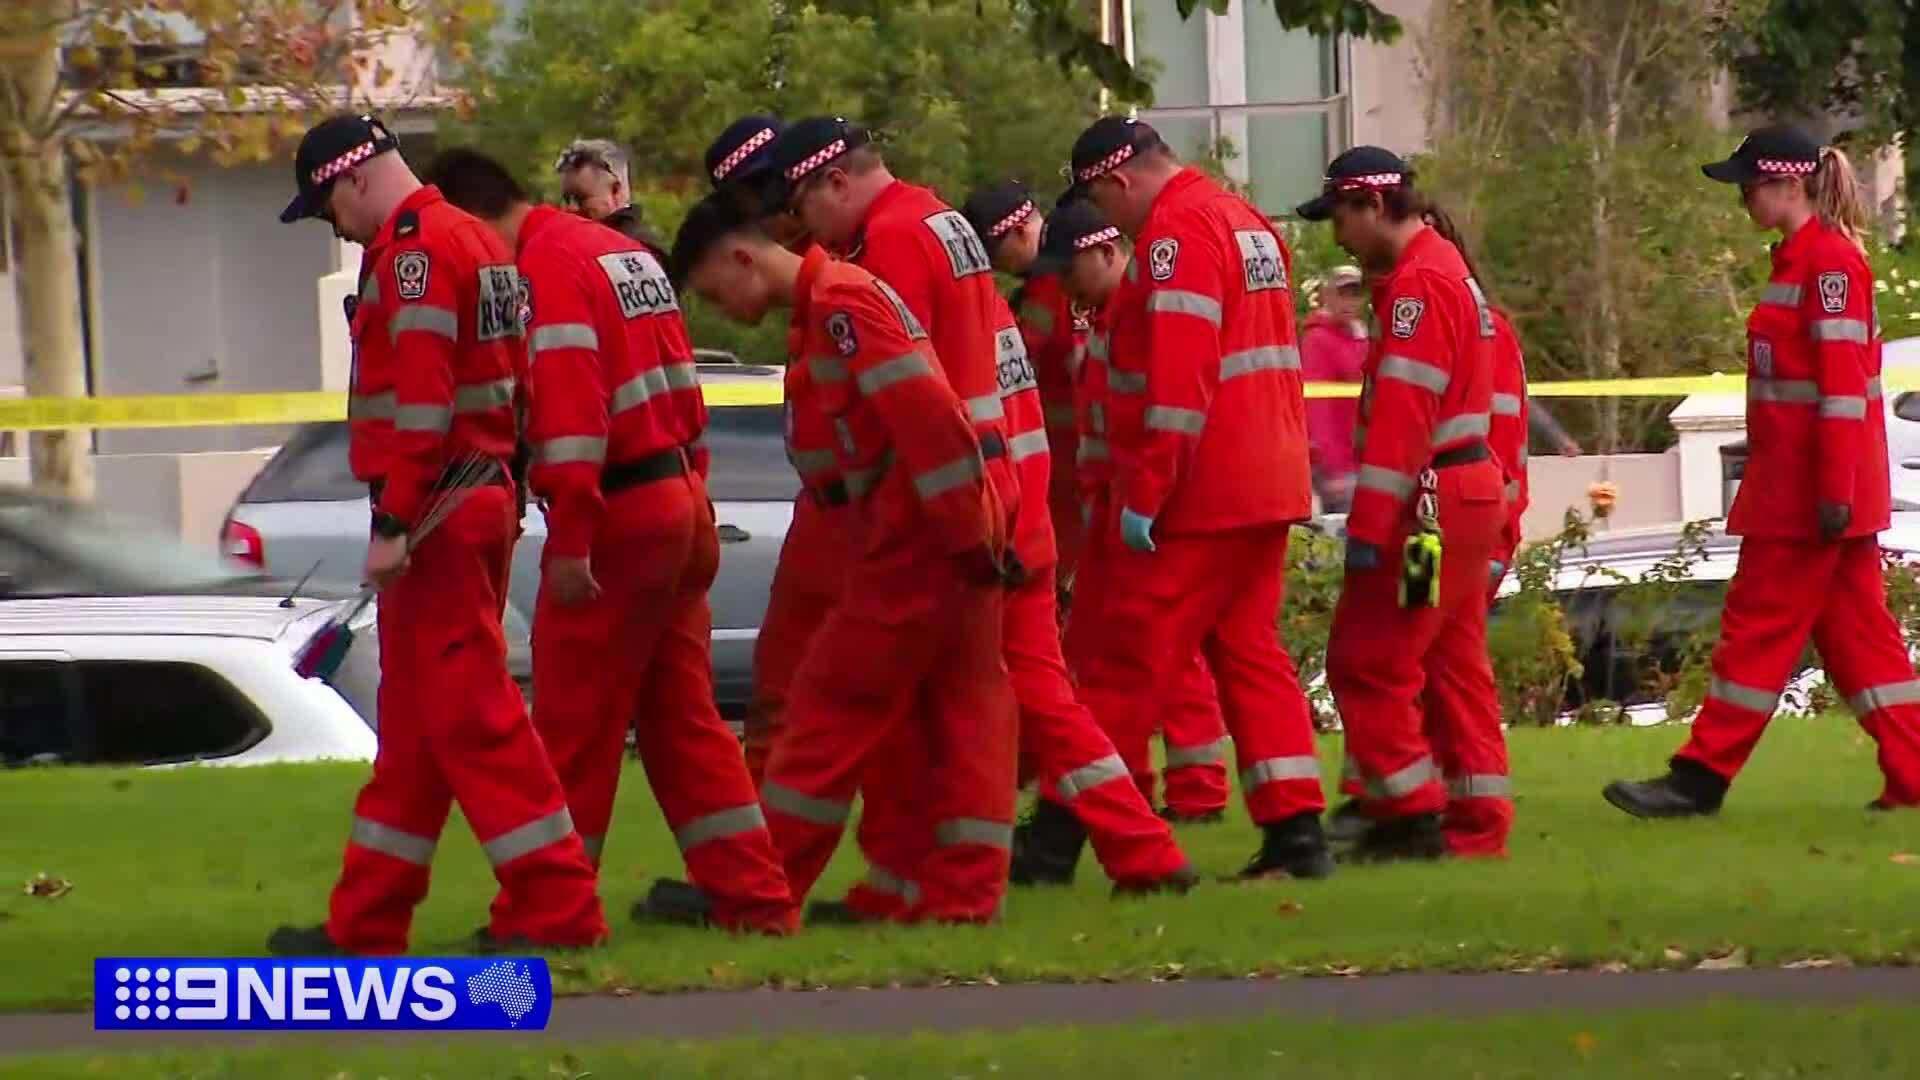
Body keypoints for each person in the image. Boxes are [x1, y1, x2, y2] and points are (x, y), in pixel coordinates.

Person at [771, 117, 1195, 898]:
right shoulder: (933, 220)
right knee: (1004, 696)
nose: (806, 231)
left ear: (835, 182)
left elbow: (910, 398)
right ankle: (1111, 856)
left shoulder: (892, 244)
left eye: (804, 206)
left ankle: (1106, 855)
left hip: (968, 511)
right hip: (1007, 499)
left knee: (978, 697)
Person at [422, 149, 799, 934]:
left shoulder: (548, 269)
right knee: (684, 724)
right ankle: (756, 900)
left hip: (620, 516)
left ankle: (546, 908)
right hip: (680, 498)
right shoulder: (622, 252)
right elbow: (674, 383)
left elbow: (570, 412)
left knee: (571, 723)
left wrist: (571, 543)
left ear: (469, 217)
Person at [269, 114, 606, 955]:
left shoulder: (415, 255)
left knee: (479, 720)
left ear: (353, 180)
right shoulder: (480, 242)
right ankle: (365, 925)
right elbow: (513, 383)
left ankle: (558, 909)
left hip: (437, 513)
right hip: (474, 499)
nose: (336, 228)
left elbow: (421, 404)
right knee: (416, 735)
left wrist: (392, 521)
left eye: (328, 208)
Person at [672, 194, 1022, 922]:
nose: (724, 308)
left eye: (714, 290)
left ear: (743, 258)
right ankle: (957, 894)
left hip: (917, 544)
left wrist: (959, 540)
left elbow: (930, 421)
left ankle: (759, 898)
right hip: (940, 537)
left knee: (825, 711)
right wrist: (975, 541)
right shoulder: (833, 305)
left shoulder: (842, 305)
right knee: (961, 714)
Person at [1605, 126, 1920, 818]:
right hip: (1808, 490)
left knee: (1755, 632)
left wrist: (1833, 493)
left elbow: (1841, 391)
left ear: (1787, 184)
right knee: (1862, 647)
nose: (1743, 197)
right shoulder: (1802, 263)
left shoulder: (1828, 268)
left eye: (1749, 185)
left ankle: (1699, 779)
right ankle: (1915, 774)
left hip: (1808, 497)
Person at [1066, 115, 1333, 878]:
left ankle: (1064, 830)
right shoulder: (1247, 222)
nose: (1104, 223)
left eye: (1098, 203)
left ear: (1117, 181)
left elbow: (1179, 386)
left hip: (1204, 492)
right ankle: (1296, 834)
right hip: (1270, 479)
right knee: (1251, 657)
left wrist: (1145, 493)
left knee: (1126, 662)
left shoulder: (1175, 235)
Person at [966, 182, 1231, 825]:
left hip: (1101, 489)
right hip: (1085, 487)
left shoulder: (1060, 299)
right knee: (1107, 643)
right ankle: (1136, 778)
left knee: (1139, 639)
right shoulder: (1082, 298)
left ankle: (1172, 785)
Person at [1298, 146, 1508, 862]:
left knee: (1369, 659)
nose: (1339, 239)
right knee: (1452, 659)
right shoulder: (1446, 272)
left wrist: (1369, 525)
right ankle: (1478, 821)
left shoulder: (1418, 289)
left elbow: (1401, 421)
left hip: (1427, 510)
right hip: (1464, 495)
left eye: (1341, 218)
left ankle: (1408, 814)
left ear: (1372, 205)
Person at [700, 114, 844, 786]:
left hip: (867, 514)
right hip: (833, 509)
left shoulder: (847, 274)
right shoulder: (819, 281)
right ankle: (760, 855)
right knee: (784, 685)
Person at [1301, 265, 1369, 514]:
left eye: (1355, 294)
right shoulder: (1317, 341)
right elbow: (1316, 410)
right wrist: (1332, 467)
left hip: (1358, 465)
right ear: (1328, 296)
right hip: (1335, 471)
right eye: (1342, 294)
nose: (1349, 301)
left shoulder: (1362, 340)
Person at [555, 138, 663, 248]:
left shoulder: (641, 252)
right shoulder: (565, 242)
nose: (571, 207)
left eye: (581, 198)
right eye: (567, 199)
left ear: (615, 190)